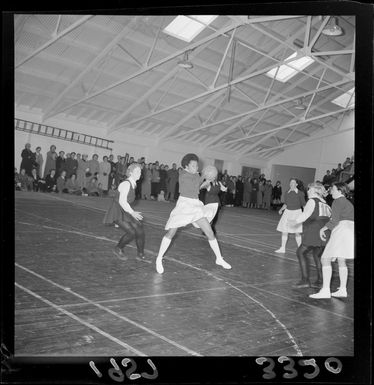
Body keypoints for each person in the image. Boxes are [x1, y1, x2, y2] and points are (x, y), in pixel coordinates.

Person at [155, 154, 231, 274]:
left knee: (210, 232)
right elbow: (194, 186)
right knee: (171, 232)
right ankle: (159, 258)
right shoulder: (183, 175)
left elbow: (197, 188)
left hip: (195, 205)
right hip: (184, 205)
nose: (196, 167)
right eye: (194, 165)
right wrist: (204, 177)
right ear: (186, 166)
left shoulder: (196, 174)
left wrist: (209, 183)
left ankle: (219, 259)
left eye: (197, 165)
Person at [309, 183, 354, 299]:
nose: (331, 191)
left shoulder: (338, 201)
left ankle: (325, 291)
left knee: (325, 259)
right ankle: (342, 290)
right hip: (349, 231)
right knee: (341, 260)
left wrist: (323, 229)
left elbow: (334, 221)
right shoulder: (348, 203)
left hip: (342, 229)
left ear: (340, 190)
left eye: (333, 189)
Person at [289, 182, 332, 288]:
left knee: (300, 252)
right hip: (325, 232)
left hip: (315, 231)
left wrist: (295, 222)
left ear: (315, 191)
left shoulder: (312, 201)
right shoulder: (325, 203)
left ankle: (305, 280)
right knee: (317, 255)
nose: (307, 191)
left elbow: (306, 214)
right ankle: (321, 279)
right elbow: (329, 218)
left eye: (309, 189)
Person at [103, 163, 145, 260]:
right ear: (130, 173)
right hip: (117, 210)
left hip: (125, 209)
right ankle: (118, 248)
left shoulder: (133, 184)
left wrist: (131, 212)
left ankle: (140, 254)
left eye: (140, 171)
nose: (139, 173)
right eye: (137, 171)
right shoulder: (126, 184)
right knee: (131, 232)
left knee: (139, 230)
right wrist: (132, 212)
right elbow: (122, 201)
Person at [275, 178, 306, 253]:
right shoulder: (286, 193)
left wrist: (305, 215)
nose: (291, 184)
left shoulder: (300, 193)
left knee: (297, 232)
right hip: (287, 213)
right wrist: (281, 209)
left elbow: (304, 205)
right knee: (284, 231)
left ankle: (300, 250)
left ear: (296, 184)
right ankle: (282, 248)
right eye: (290, 183)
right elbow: (286, 204)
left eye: (293, 183)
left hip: (297, 213)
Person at [203, 171, 228, 235]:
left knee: (215, 216)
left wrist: (226, 186)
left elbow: (224, 189)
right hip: (209, 201)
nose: (215, 177)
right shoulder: (207, 182)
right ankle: (206, 229)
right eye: (213, 175)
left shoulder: (219, 183)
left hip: (216, 201)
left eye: (215, 176)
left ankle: (212, 227)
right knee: (208, 216)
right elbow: (200, 187)